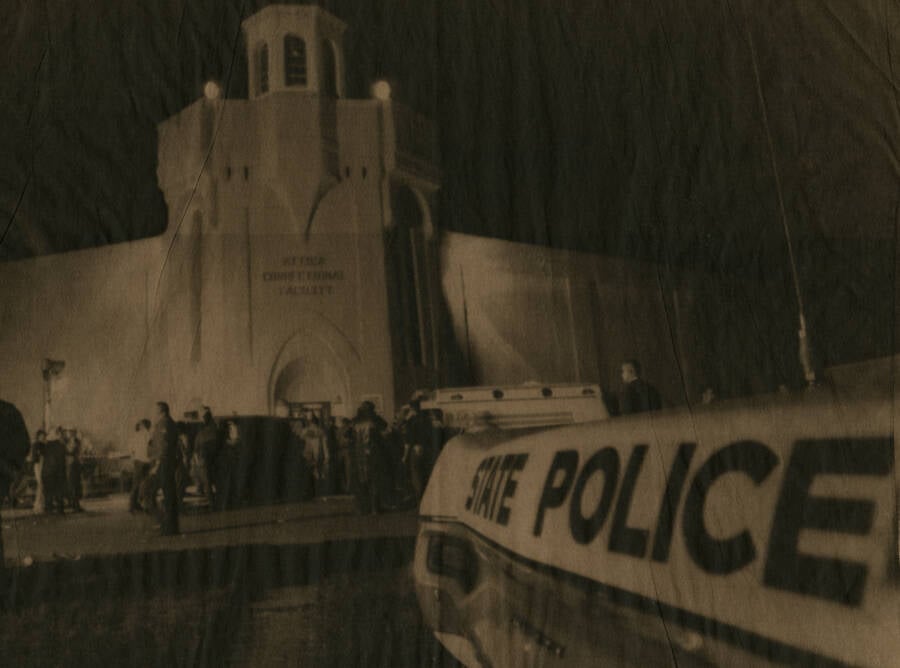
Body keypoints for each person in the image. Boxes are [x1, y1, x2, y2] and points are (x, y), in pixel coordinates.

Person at [351, 401, 388, 514]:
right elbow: (385, 429)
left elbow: (348, 436)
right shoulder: (375, 420)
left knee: (361, 482)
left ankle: (362, 508)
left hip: (358, 455)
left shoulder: (355, 422)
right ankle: (374, 508)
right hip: (373, 454)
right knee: (374, 481)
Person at [150, 401, 179, 535]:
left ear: (161, 411)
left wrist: (157, 464)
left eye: (156, 410)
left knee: (166, 494)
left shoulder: (165, 423)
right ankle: (167, 525)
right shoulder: (168, 423)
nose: (154, 413)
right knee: (168, 494)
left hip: (164, 462)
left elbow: (164, 446)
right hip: (166, 462)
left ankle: (168, 526)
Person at [193, 406, 218, 507]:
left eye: (205, 416)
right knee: (207, 482)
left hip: (207, 460)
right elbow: (196, 449)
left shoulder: (210, 430)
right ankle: (211, 501)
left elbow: (197, 449)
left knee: (208, 482)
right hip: (204, 460)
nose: (204, 419)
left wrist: (198, 460)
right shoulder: (204, 432)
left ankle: (212, 502)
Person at [128, 419, 152, 513]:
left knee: (136, 484)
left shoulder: (135, 435)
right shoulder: (148, 434)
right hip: (146, 461)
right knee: (146, 484)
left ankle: (133, 505)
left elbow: (131, 450)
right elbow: (151, 448)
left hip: (138, 461)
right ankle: (143, 504)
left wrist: (135, 458)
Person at [63, 428, 84, 512]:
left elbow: (79, 453)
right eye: (71, 433)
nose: (72, 434)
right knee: (71, 485)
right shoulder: (66, 443)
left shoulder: (77, 442)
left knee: (77, 485)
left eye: (74, 433)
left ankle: (76, 504)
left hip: (76, 465)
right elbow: (68, 452)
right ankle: (73, 504)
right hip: (70, 466)